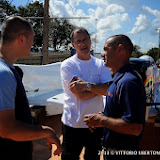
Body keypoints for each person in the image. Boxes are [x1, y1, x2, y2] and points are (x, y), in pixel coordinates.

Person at [0, 16, 62, 160]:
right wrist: (45, 131)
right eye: (32, 39)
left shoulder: (8, 69)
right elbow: (6, 129)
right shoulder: (4, 74)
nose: (33, 44)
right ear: (21, 39)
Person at [84, 34, 146, 160]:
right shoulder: (119, 79)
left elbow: (135, 127)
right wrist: (103, 116)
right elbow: (120, 113)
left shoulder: (128, 82)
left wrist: (101, 121)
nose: (102, 54)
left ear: (120, 50)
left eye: (106, 49)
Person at [60, 27, 112, 160]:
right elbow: (81, 96)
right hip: (73, 124)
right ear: (73, 45)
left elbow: (109, 90)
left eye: (85, 40)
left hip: (96, 123)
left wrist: (86, 85)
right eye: (78, 41)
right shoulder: (68, 65)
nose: (83, 44)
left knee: (92, 157)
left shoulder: (101, 64)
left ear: (90, 41)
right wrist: (98, 87)